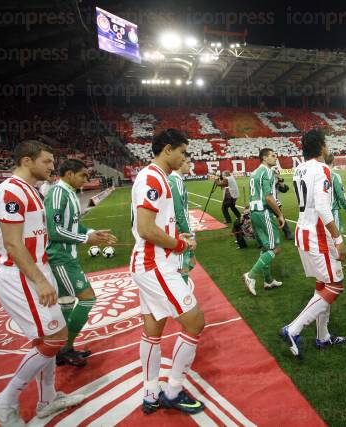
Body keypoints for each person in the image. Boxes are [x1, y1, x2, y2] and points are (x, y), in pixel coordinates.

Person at [0, 140, 84, 426]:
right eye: (47, 162)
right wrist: (41, 281)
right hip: (21, 277)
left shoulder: (33, 191)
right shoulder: (10, 192)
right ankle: (4, 402)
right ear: (27, 161)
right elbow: (14, 246)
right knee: (54, 339)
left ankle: (47, 399)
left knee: (50, 337)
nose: (53, 166)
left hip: (35, 272)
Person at [131, 129, 204, 415]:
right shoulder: (152, 177)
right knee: (195, 322)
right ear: (168, 149)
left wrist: (178, 238)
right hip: (155, 262)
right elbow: (147, 228)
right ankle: (173, 390)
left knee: (153, 331)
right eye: (183, 152)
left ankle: (150, 393)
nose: (185, 158)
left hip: (150, 261)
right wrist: (178, 244)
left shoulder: (156, 176)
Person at [280, 129, 346, 359]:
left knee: (323, 284)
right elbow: (322, 207)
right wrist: (338, 239)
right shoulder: (322, 169)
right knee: (336, 286)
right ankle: (293, 329)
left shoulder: (299, 168)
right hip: (317, 235)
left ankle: (323, 336)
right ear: (321, 147)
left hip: (303, 231)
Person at [44, 159, 117, 367]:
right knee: (87, 299)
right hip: (60, 257)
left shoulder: (69, 193)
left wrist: (93, 233)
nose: (87, 178)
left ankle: (63, 351)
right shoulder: (58, 193)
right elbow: (54, 230)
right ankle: (64, 348)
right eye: (83, 175)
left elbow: (74, 225)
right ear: (69, 174)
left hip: (68, 256)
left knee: (66, 303)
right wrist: (87, 239)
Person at [242, 148, 285, 295]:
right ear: (265, 158)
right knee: (276, 248)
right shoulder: (267, 172)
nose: (275, 158)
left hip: (254, 212)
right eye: (273, 156)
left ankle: (268, 280)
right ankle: (250, 275)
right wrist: (280, 214)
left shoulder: (255, 172)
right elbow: (268, 197)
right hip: (263, 212)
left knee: (266, 247)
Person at [168, 154, 196, 284]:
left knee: (185, 264)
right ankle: (182, 298)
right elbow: (180, 212)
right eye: (188, 162)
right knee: (182, 266)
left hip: (173, 230)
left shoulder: (172, 180)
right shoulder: (176, 181)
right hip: (179, 232)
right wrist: (189, 236)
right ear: (181, 162)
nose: (189, 165)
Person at [324, 154, 346, 233]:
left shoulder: (318, 175)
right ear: (333, 162)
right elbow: (341, 196)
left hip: (321, 211)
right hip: (333, 210)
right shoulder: (335, 176)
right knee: (336, 236)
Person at [272, 167, 294, 240]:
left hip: (275, 202)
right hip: (266, 201)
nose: (277, 175)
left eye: (277, 173)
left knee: (280, 216)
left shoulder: (278, 182)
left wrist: (280, 180)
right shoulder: (267, 181)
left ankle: (287, 233)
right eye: (276, 173)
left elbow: (284, 189)